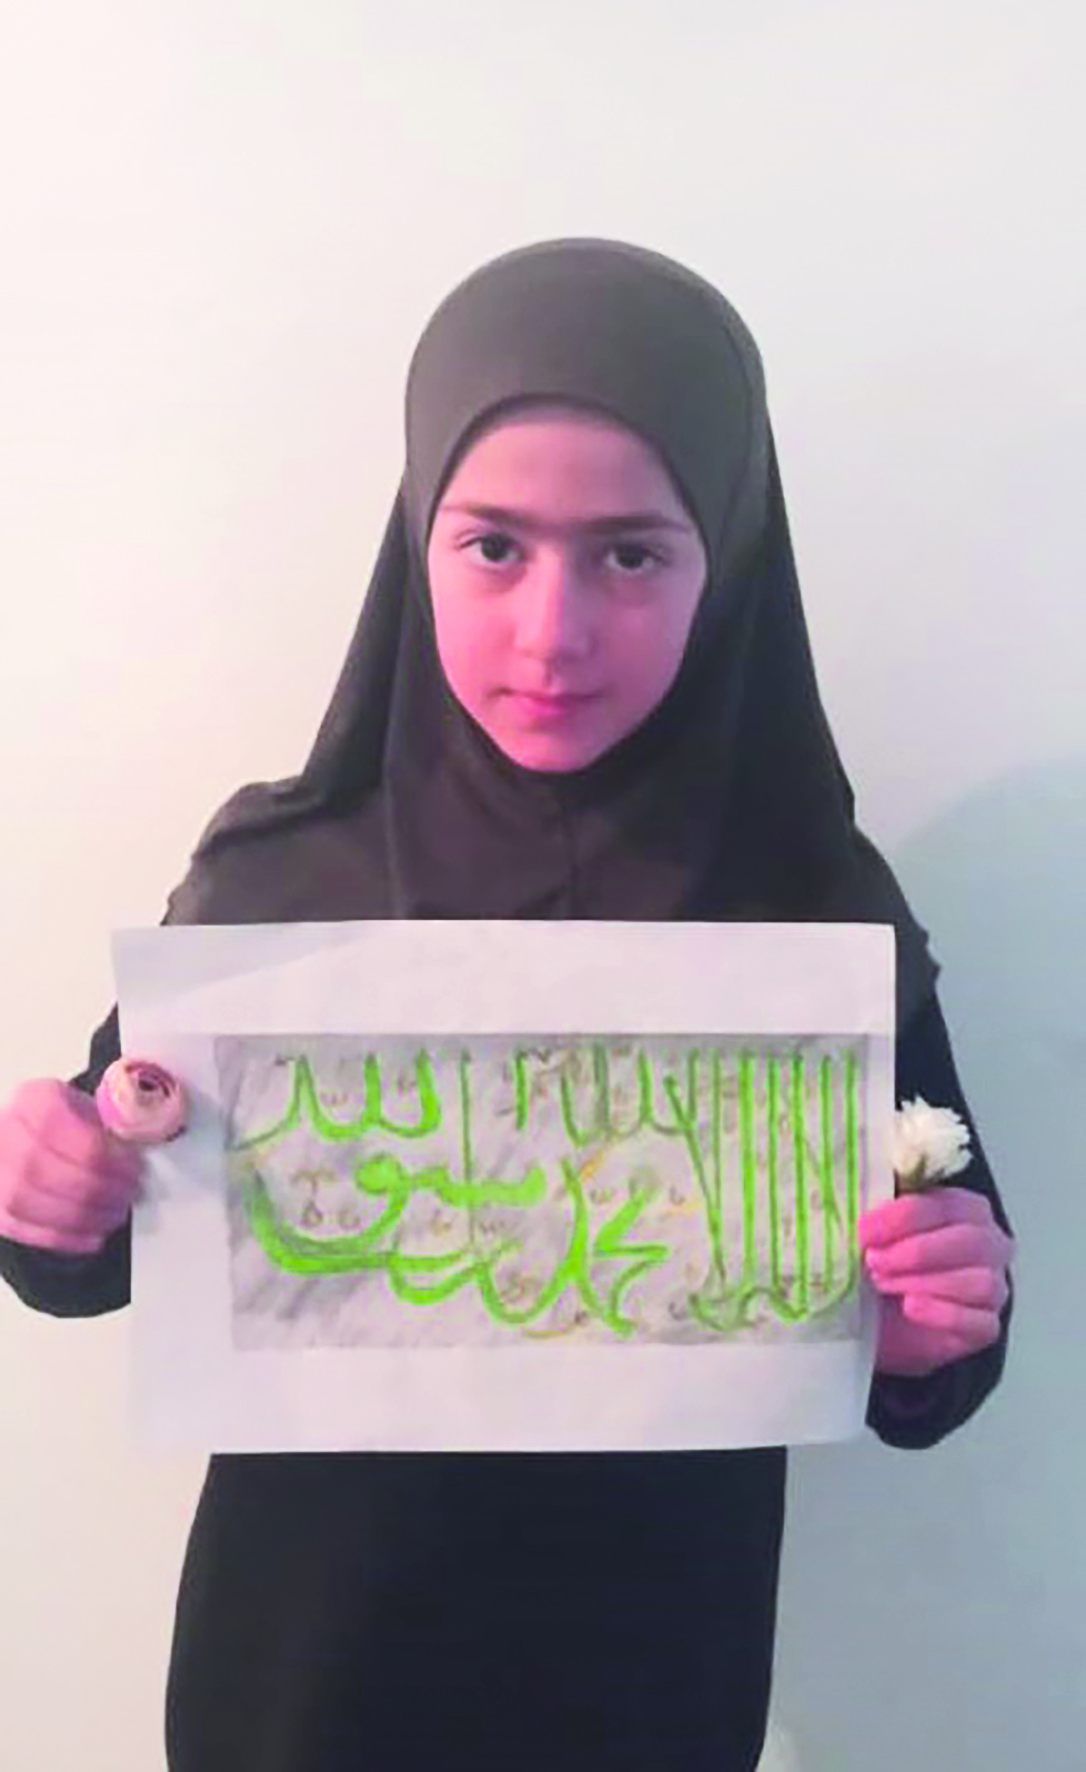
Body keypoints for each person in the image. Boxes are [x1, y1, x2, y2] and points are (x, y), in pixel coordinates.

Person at [0, 239, 1014, 1772]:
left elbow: (931, 1350)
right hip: (299, 1684)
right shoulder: (282, 876)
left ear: (727, 558)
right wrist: (55, 1189)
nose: (551, 632)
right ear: (416, 537)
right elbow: (89, 1256)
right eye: (491, 546)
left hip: (649, 1683)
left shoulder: (810, 914)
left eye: (630, 555)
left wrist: (936, 1320)